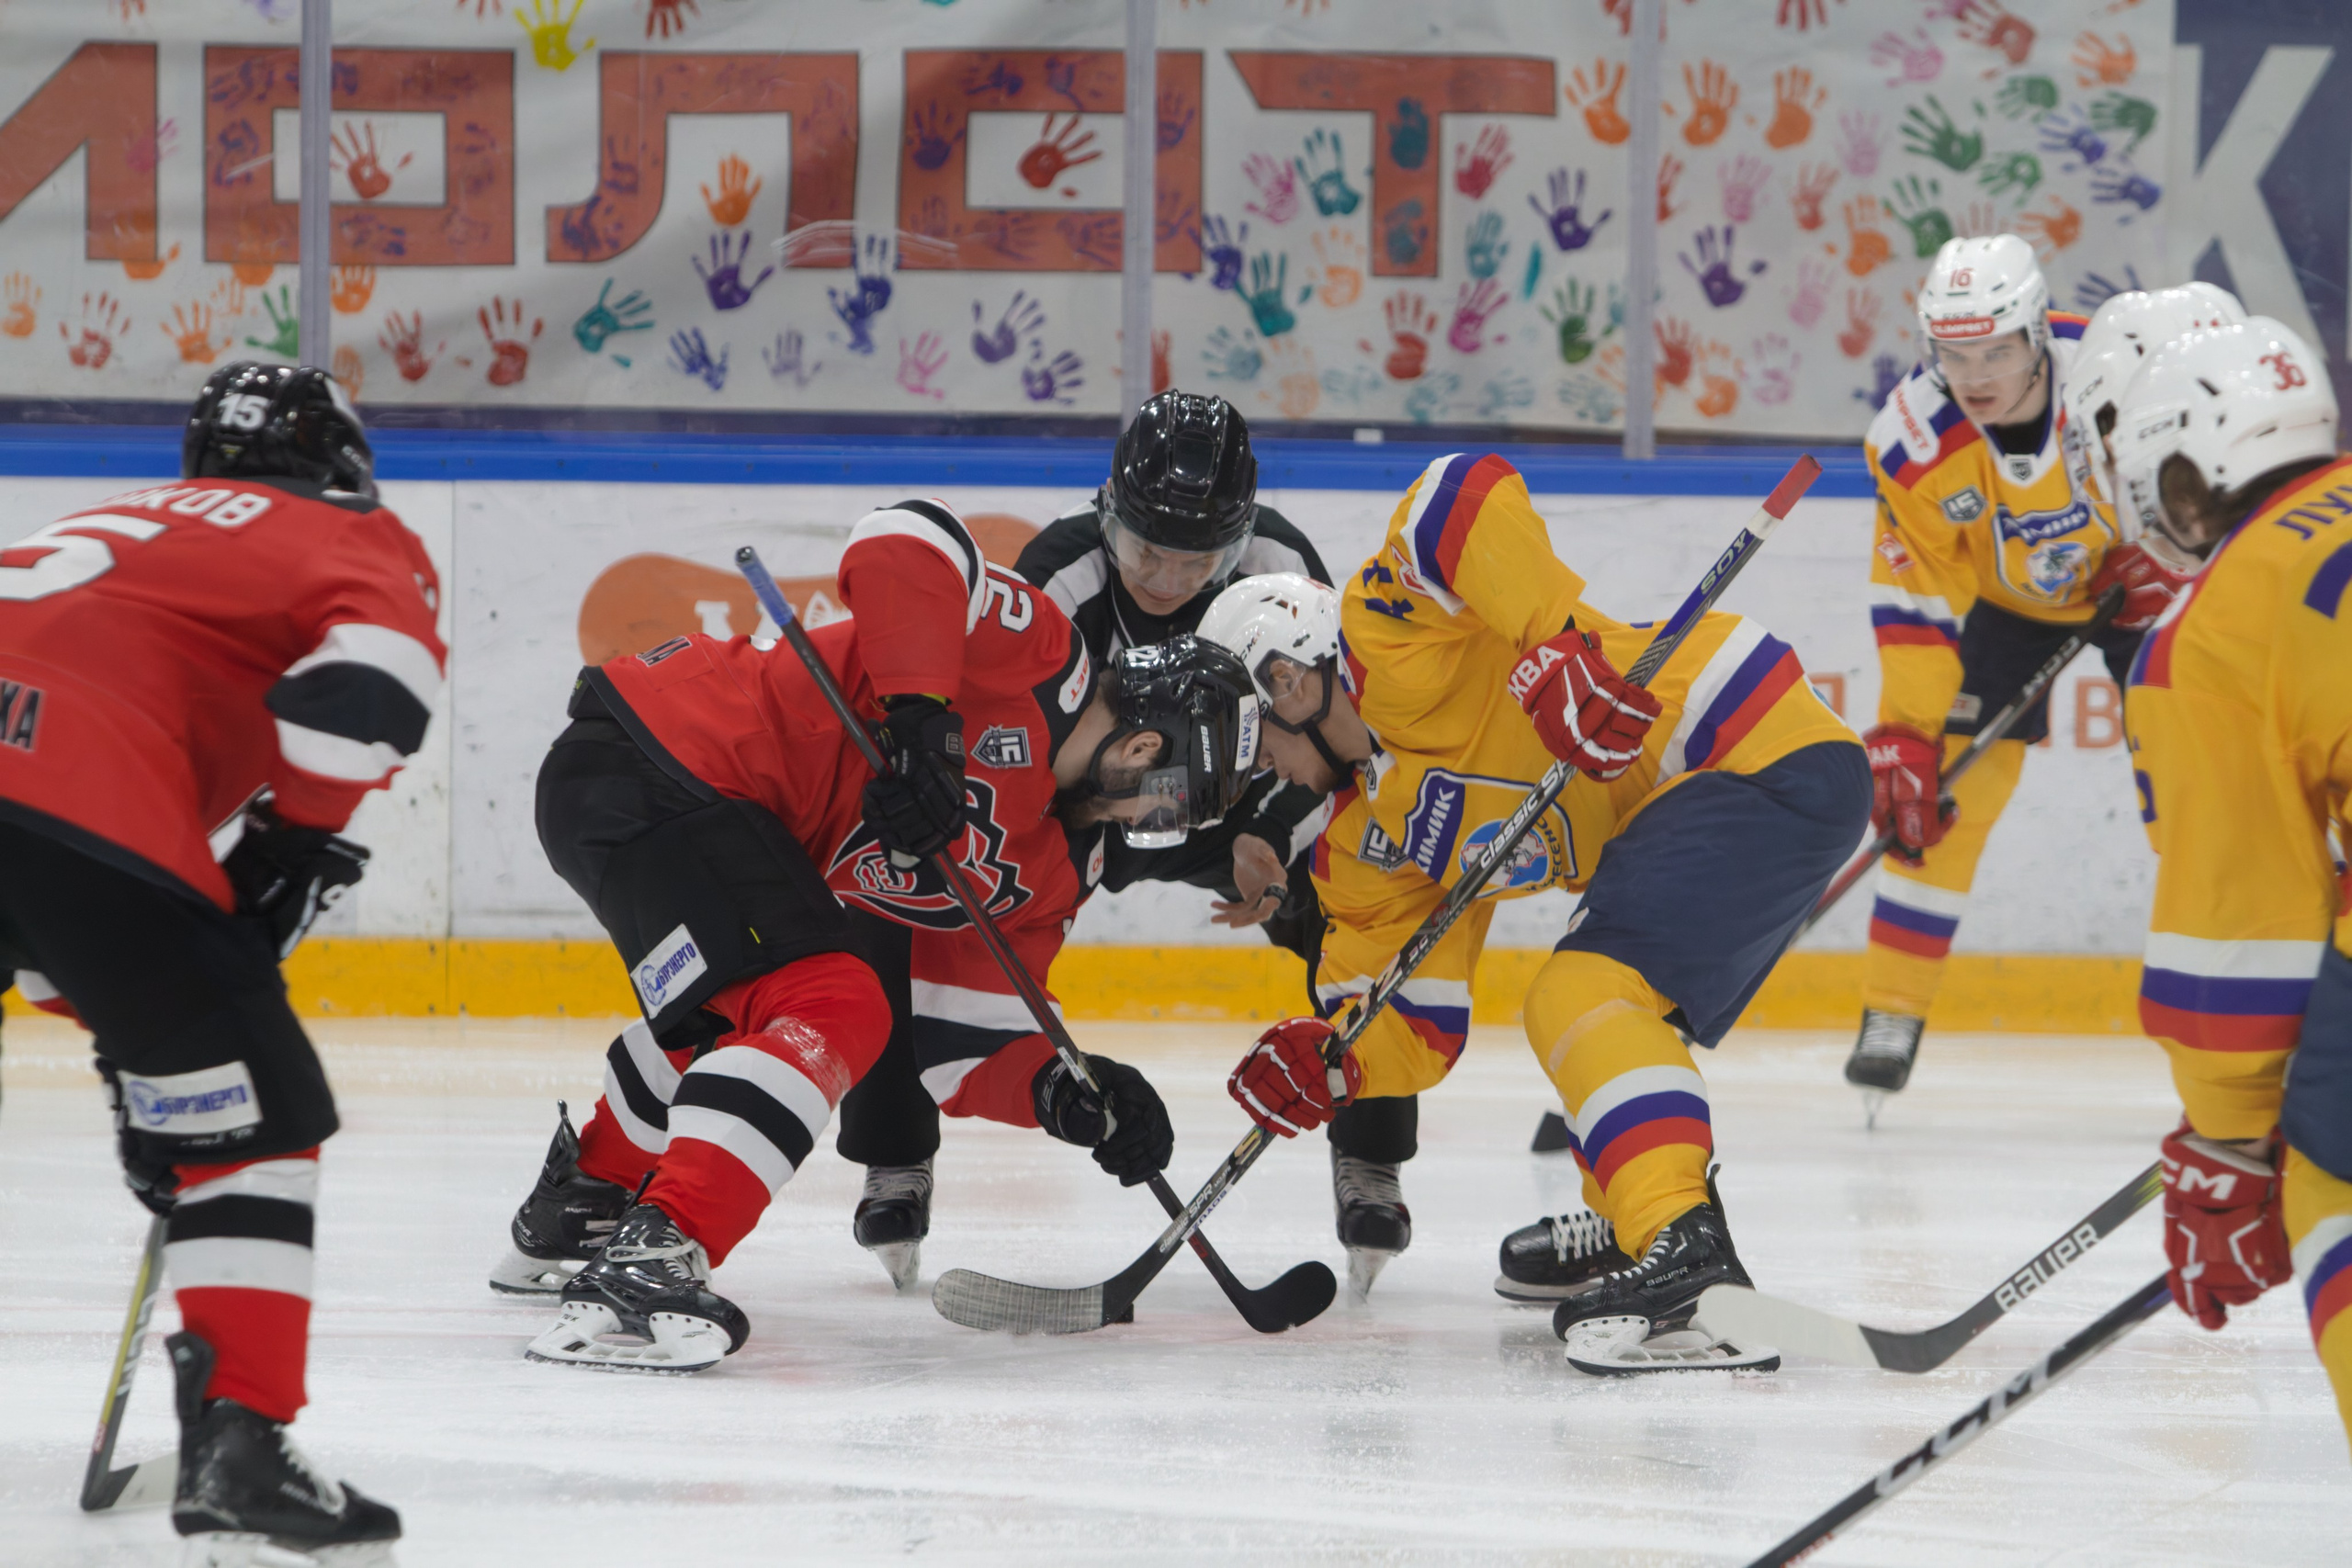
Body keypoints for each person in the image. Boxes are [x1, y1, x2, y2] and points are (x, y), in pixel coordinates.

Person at [497, 496, 1260, 1364]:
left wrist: (1067, 1091)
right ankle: (654, 1256)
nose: (1156, 822)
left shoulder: (1051, 872)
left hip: (671, 813)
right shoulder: (1044, 657)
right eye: (1175, 799)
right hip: (666, 748)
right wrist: (920, 723)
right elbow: (905, 538)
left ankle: (584, 1198)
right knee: (838, 997)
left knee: (755, 1012)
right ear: (1143, 750)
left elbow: (957, 1039)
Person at [1198, 455, 1867, 1371]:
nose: (1255, 773)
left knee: (1578, 993)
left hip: (1749, 739)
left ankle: (1681, 1240)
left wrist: (1556, 646)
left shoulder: (1382, 645)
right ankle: (1628, 1217)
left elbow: (1459, 493)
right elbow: (1420, 1026)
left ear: (1289, 682)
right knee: (1607, 1001)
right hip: (1683, 813)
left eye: (1250, 741)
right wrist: (1336, 1062)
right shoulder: (1361, 850)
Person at [0, 363, 440, 1559]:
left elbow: (52, 933)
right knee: (254, 1122)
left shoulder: (120, 528)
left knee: (203, 1081)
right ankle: (241, 1443)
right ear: (344, 462)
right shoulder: (348, 531)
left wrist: (142, 1063)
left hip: (50, 793)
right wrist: (298, 836)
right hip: (71, 791)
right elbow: (370, 688)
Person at [832, 391, 1409, 1288]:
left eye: (1198, 561)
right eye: (1146, 552)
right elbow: (1012, 749)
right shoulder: (1060, 573)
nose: (1169, 580)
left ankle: (1369, 1155)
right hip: (1093, 806)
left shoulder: (1280, 567)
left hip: (1234, 803)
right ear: (1109, 516)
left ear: (1241, 539)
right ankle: (895, 1156)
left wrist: (1265, 837)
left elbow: (1329, 748)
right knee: (925, 904)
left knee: (1364, 898)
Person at [1847, 234, 2192, 1105]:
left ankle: (2239, 1019)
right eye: (1954, 353)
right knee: (1940, 803)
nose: (1976, 374)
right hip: (2009, 610)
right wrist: (1904, 736)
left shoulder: (2126, 374)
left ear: (2038, 330)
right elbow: (1916, 599)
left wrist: (2173, 557)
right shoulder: (1914, 441)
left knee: (2197, 798)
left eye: (1996, 348)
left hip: (2144, 597)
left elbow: (2217, 491)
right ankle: (1892, 1011)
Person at [2105, 316, 2352, 1454]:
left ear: (2194, 468)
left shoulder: (2208, 630)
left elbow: (2234, 934)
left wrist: (2231, 1145)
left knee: (2332, 1176)